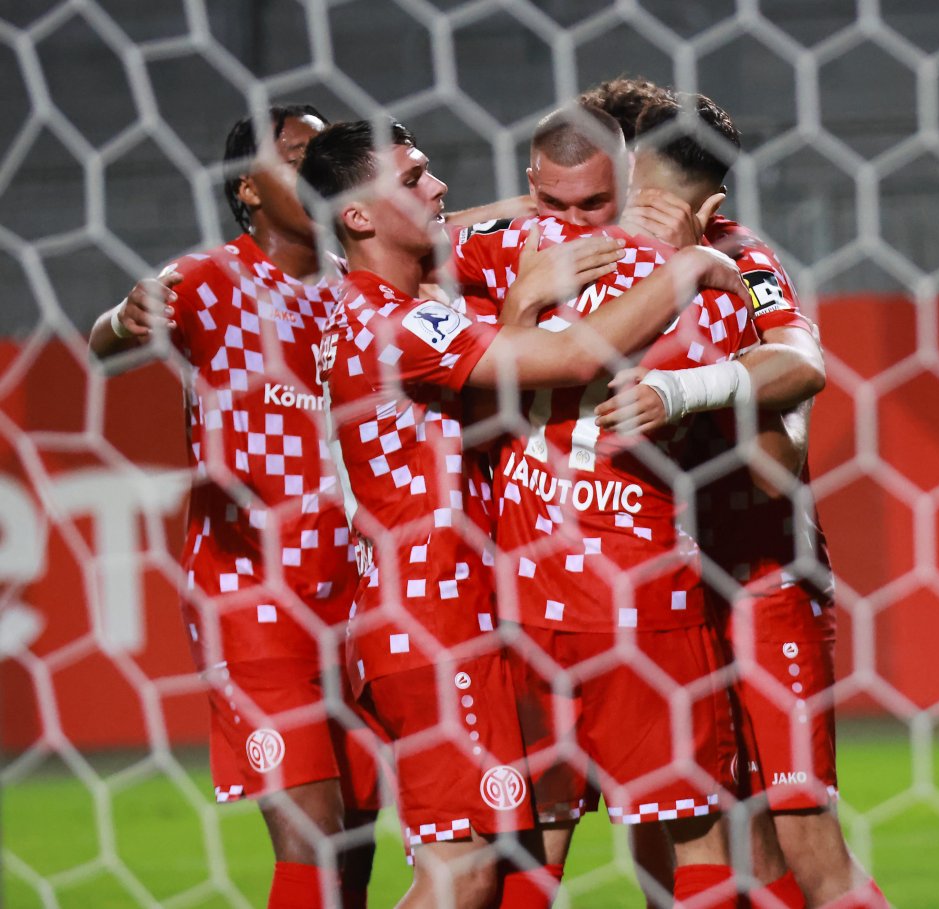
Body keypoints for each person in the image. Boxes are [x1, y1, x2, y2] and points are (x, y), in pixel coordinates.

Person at [297, 117, 748, 909]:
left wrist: (521, 288)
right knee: (462, 871)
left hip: (445, 616)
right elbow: (574, 358)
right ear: (358, 216)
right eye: (411, 179)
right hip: (431, 619)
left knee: (505, 859)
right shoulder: (397, 319)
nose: (438, 189)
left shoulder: (376, 311)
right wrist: (692, 267)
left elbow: (471, 425)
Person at [448, 105, 763, 909]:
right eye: (555, 207)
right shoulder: (719, 278)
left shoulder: (497, 259)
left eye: (593, 204)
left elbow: (404, 238)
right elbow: (771, 417)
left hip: (533, 591)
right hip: (638, 591)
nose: (572, 226)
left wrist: (518, 273)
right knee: (696, 832)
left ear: (628, 180)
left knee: (543, 839)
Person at [595, 93, 889, 909]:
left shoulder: (738, 263)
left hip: (762, 579)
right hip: (658, 590)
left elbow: (797, 385)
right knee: (683, 827)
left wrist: (681, 387)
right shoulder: (590, 263)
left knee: (801, 839)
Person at [89, 106, 381, 909]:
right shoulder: (211, 279)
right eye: (297, 155)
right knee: (314, 836)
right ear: (249, 190)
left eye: (326, 151)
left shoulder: (362, 282)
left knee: (355, 844)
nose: (318, 164)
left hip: (357, 591)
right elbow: (105, 342)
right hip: (251, 589)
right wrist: (126, 317)